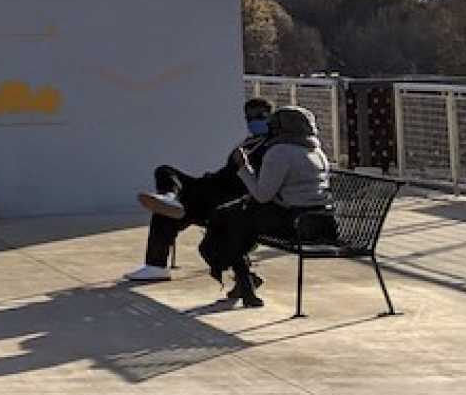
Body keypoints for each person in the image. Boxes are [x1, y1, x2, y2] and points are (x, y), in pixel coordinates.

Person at [121, 98, 277, 282]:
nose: (253, 121)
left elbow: (258, 182)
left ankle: (156, 264)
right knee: (165, 173)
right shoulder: (249, 141)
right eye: (249, 118)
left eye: (259, 116)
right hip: (210, 188)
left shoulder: (272, 147)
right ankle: (170, 198)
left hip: (226, 199)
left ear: (271, 117)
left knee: (177, 205)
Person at [199, 106, 333, 308]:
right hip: (318, 222)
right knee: (234, 219)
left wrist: (243, 167)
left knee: (229, 223)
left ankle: (241, 280)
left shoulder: (279, 152)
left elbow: (262, 195)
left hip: (292, 223)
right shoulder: (316, 151)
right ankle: (244, 284)